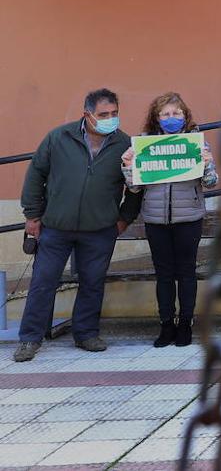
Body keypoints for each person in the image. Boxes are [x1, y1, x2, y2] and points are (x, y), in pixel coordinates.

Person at [14, 89, 139, 363]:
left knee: (93, 283)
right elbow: (36, 174)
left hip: (100, 229)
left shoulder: (125, 144)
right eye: (103, 114)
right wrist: (33, 216)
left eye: (114, 114)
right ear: (87, 115)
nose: (110, 119)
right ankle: (29, 339)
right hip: (56, 227)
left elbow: (135, 186)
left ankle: (86, 334)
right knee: (43, 282)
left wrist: (123, 218)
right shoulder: (59, 137)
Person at [121, 92, 217, 348]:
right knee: (163, 274)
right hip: (155, 219)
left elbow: (210, 182)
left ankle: (185, 325)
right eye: (166, 114)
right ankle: (166, 325)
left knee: (186, 272)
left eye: (176, 113)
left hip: (189, 218)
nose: (171, 118)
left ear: (185, 116)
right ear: (156, 117)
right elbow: (134, 187)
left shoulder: (197, 144)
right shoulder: (144, 144)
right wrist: (128, 166)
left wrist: (207, 164)